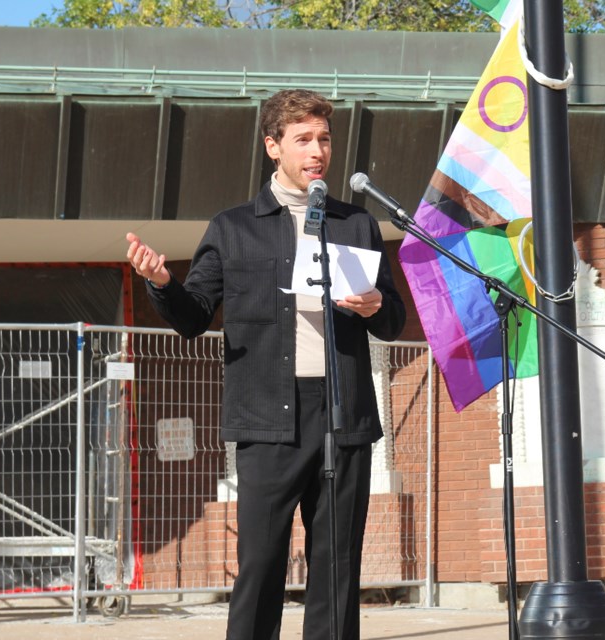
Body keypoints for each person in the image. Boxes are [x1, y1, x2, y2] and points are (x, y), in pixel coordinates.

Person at [126, 88, 406, 640]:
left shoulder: (356, 225)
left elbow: (392, 321)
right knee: (261, 565)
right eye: (303, 139)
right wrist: (162, 283)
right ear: (272, 146)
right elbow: (193, 316)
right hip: (268, 419)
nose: (317, 151)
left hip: (343, 415)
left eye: (324, 138)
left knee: (337, 568)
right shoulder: (234, 228)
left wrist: (375, 306)